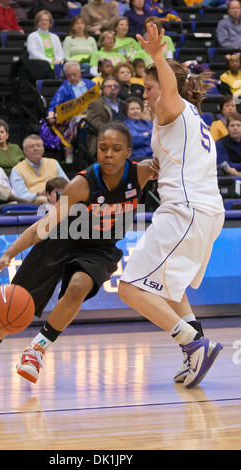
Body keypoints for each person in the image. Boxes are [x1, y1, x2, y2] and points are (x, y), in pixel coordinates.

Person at [0, 121, 159, 385]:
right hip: (61, 240)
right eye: (103, 148)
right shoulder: (82, 184)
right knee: (15, 303)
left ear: (129, 151)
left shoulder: (142, 173)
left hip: (100, 248)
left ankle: (36, 349)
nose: (109, 154)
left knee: (79, 285)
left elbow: (175, 157)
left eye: (116, 149)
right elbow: (45, 225)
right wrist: (8, 254)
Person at [118, 23, 224, 389]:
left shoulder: (171, 109)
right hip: (206, 213)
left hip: (185, 211)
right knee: (171, 289)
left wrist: (157, 57)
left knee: (130, 288)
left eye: (149, 88)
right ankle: (194, 352)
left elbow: (168, 90)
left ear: (166, 88)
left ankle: (194, 345)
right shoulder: (195, 120)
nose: (145, 96)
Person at [10, 134, 69, 203]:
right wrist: (38, 194)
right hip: (33, 204)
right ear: (25, 151)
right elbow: (20, 195)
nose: (36, 149)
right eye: (32, 146)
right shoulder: (17, 170)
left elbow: (67, 185)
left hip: (57, 200)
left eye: (38, 146)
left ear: (43, 149)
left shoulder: (53, 163)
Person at [86, 77, 127, 156]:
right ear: (102, 89)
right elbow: (94, 124)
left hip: (126, 137)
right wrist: (114, 131)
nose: (112, 88)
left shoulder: (124, 104)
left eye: (115, 86)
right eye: (109, 86)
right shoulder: (95, 104)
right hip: (105, 139)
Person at [25, 10, 64, 80]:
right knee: (47, 67)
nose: (44, 22)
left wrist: (58, 61)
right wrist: (50, 61)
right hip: (39, 66)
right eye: (41, 20)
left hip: (56, 64)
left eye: (46, 20)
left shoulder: (55, 37)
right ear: (37, 22)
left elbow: (60, 53)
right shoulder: (32, 36)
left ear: (50, 23)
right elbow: (34, 54)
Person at [124, 96, 153, 160]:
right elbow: (135, 139)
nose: (136, 111)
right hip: (137, 157)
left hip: (153, 155)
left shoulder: (147, 123)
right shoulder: (125, 125)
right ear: (126, 111)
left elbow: (157, 135)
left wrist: (146, 134)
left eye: (138, 108)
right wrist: (150, 134)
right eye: (132, 109)